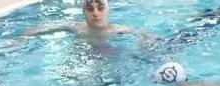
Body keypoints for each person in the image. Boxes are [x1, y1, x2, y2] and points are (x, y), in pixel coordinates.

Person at [20, 0, 157, 44]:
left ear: (107, 11)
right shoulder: (74, 26)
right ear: (83, 12)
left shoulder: (118, 30)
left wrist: (146, 42)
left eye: (100, 8)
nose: (95, 13)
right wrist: (22, 39)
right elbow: (34, 30)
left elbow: (146, 35)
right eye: (90, 9)